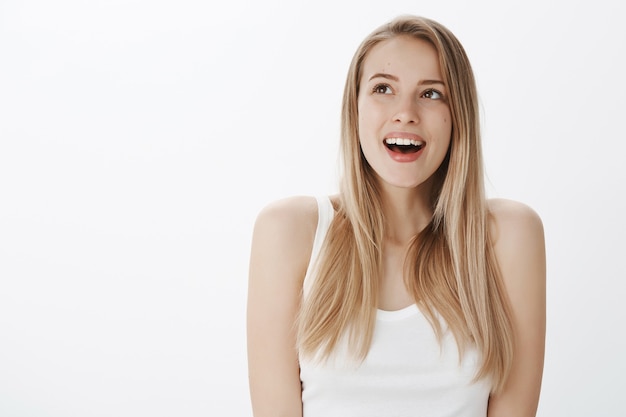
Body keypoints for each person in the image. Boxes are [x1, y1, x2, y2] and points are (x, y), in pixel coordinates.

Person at [246, 14, 545, 417]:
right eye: (383, 88)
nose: (405, 113)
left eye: (432, 94)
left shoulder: (506, 237)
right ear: (355, 109)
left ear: (459, 116)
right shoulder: (289, 232)